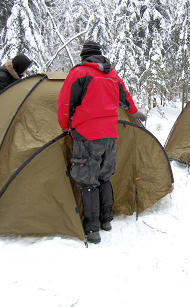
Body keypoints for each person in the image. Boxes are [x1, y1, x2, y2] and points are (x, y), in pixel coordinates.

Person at [57, 41, 146, 244]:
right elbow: (127, 100)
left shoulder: (79, 73)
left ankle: (92, 229)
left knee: (88, 181)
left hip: (87, 134)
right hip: (110, 135)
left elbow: (64, 103)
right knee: (104, 177)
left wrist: (65, 126)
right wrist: (136, 113)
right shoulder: (112, 75)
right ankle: (106, 220)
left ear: (84, 57)